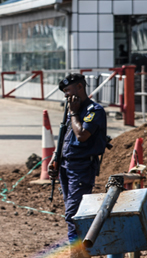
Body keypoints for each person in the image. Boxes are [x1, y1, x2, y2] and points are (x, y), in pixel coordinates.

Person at [48, 73, 108, 256]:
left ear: (80, 87)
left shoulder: (93, 110)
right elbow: (66, 136)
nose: (66, 95)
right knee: (72, 214)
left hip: (81, 168)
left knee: (74, 215)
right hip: (66, 167)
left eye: (68, 90)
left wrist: (74, 113)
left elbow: (81, 135)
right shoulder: (72, 110)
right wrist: (55, 158)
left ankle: (79, 254)